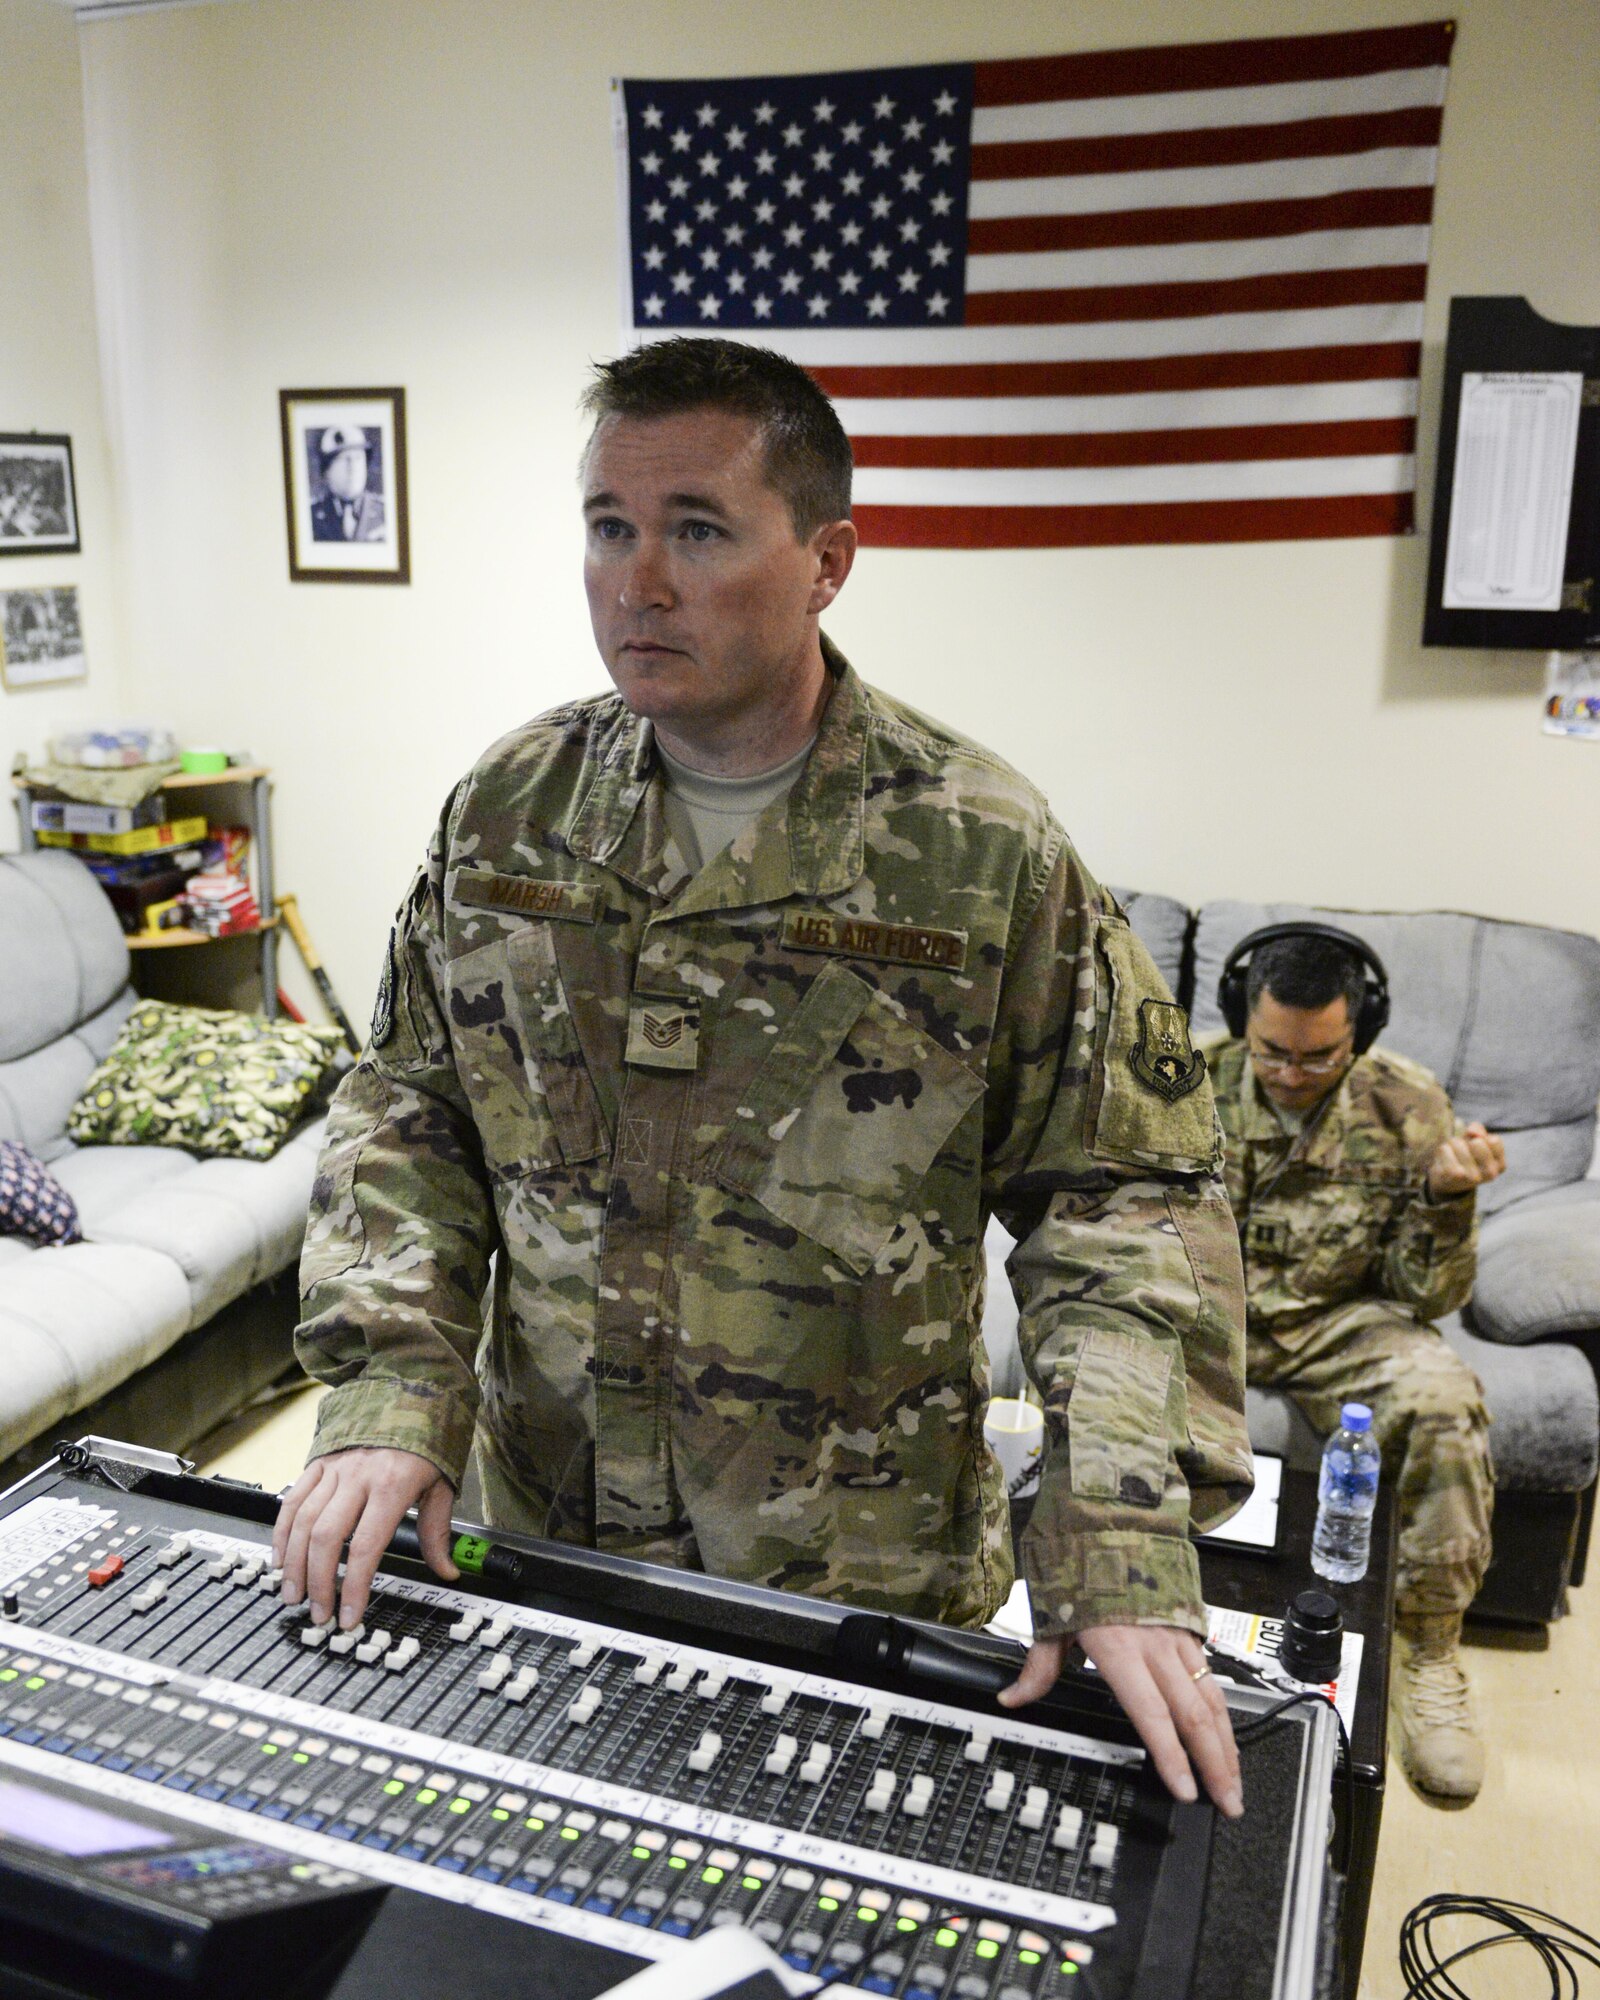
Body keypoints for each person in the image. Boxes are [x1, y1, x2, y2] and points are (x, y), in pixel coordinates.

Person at [273, 336, 1253, 1816]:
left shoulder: (977, 850)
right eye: (609, 526)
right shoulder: (509, 813)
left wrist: (1114, 1534)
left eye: (698, 530)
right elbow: (410, 1109)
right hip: (542, 1542)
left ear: (829, 560)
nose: (637, 581)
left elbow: (1122, 1201)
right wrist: (393, 1391)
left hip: (852, 1585)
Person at [1205, 923, 1504, 1800]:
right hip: (1207, 1312)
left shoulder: (1409, 1104)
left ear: (1360, 1032)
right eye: (1274, 1054)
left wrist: (1448, 1201)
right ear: (1241, 1020)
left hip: (1340, 1321)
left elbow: (1429, 1295)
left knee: (1445, 1402)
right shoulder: (1184, 1082)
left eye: (1320, 1057)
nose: (1294, 1074)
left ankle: (1433, 1655)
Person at [309, 425, 385, 542]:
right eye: (344, 459)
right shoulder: (311, 516)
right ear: (327, 470)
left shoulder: (385, 512)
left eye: (358, 458)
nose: (353, 467)